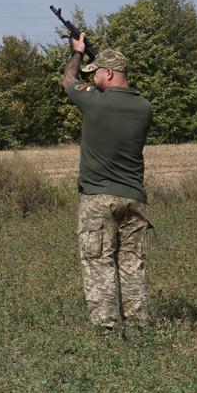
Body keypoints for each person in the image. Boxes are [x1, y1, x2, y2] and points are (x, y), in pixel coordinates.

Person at [62, 36, 153, 331]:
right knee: (131, 263)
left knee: (98, 263)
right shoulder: (144, 108)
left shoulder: (94, 102)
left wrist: (77, 53)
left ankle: (107, 330)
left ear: (110, 73)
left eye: (97, 72)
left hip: (98, 199)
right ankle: (139, 325)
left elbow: (69, 81)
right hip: (133, 198)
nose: (94, 78)